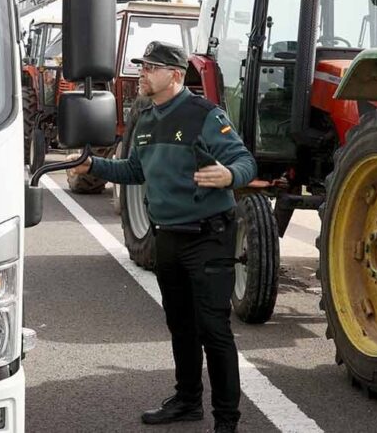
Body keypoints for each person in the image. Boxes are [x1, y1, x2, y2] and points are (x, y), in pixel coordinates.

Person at [69, 41, 256, 433]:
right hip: (167, 238)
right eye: (142, 66)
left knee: (213, 329)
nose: (142, 73)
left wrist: (229, 175)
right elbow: (135, 171)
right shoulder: (147, 119)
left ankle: (227, 420)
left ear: (174, 75)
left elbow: (244, 161)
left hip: (208, 236)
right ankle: (188, 401)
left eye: (151, 67)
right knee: (180, 324)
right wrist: (94, 165)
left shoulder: (205, 115)